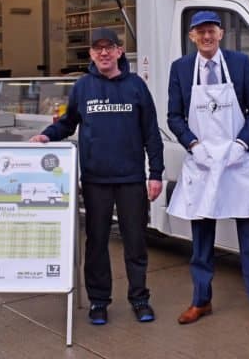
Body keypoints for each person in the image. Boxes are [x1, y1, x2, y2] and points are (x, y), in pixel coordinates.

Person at [29, 28, 164, 326]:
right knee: (97, 243)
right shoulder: (83, 87)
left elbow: (152, 134)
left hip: (130, 179)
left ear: (119, 51)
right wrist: (46, 137)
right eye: (97, 48)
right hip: (95, 180)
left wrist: (156, 174)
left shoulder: (137, 87)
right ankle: (99, 302)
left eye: (109, 47)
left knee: (135, 242)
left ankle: (140, 298)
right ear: (91, 53)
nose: (103, 53)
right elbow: (67, 123)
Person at [166, 10, 249, 334]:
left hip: (238, 164)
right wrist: (192, 144)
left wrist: (243, 143)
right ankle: (201, 300)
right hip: (201, 164)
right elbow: (174, 116)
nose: (207, 36)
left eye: (211, 30)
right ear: (192, 37)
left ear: (221, 34)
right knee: (201, 243)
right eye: (200, 32)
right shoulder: (181, 69)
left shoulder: (239, 64)